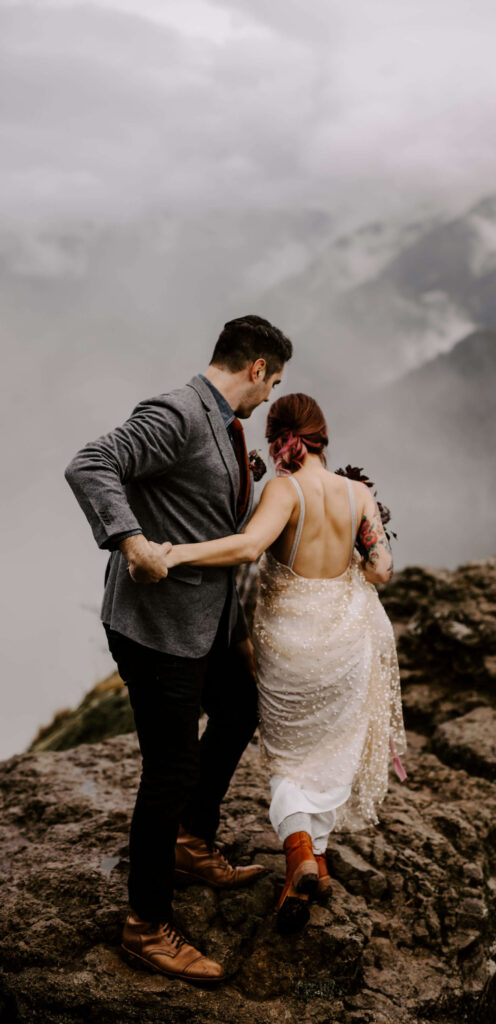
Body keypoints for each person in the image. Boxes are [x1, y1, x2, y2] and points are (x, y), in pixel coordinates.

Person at [64, 315, 293, 983]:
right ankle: (145, 925)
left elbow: (193, 488)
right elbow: (92, 463)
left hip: (205, 620)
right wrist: (132, 542)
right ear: (256, 369)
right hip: (157, 627)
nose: (270, 397)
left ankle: (192, 841)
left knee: (240, 706)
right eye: (273, 383)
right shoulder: (178, 411)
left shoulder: (221, 424)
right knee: (170, 769)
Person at [160, 393, 406, 933]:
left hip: (290, 650)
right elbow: (382, 568)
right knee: (328, 754)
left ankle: (300, 858)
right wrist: (356, 569)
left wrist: (174, 553)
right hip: (345, 645)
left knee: (289, 763)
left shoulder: (283, 490)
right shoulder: (358, 493)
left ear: (277, 439)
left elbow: (248, 548)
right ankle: (314, 862)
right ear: (323, 436)